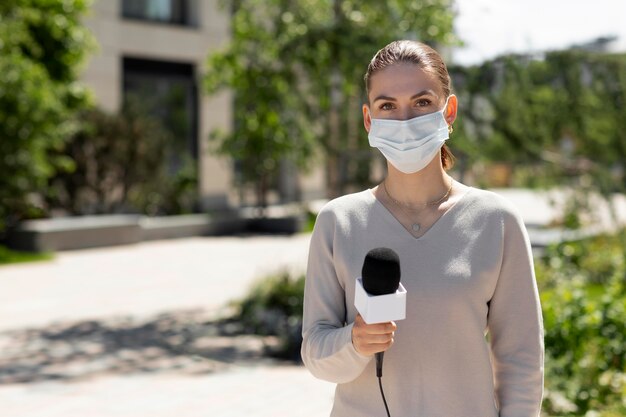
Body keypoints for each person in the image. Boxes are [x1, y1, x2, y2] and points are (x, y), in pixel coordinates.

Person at [301, 40, 544, 416]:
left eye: (422, 102)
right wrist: (355, 341)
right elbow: (315, 353)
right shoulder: (338, 222)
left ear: (449, 111)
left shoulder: (496, 220)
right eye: (387, 106)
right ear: (369, 119)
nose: (404, 120)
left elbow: (521, 360)